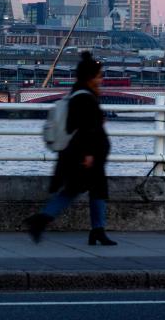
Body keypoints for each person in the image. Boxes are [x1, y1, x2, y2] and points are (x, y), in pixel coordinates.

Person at [25, 51, 117, 246]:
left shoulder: (79, 94)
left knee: (91, 190)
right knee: (77, 191)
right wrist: (88, 153)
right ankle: (41, 220)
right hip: (85, 155)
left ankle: (97, 230)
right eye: (99, 76)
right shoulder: (84, 98)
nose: (101, 80)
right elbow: (83, 128)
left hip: (85, 154)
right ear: (90, 77)